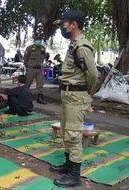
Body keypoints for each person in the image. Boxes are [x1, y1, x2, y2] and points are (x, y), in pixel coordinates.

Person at [51, 9, 98, 187]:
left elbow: (93, 75)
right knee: (65, 132)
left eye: (64, 24)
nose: (62, 27)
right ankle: (68, 165)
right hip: (68, 95)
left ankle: (74, 175)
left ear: (73, 24)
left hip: (76, 96)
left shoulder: (82, 46)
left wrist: (86, 93)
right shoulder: (73, 44)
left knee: (73, 134)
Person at [24, 33, 47, 104]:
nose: (38, 40)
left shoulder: (43, 48)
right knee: (27, 83)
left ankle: (40, 98)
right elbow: (25, 58)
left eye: (40, 39)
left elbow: (43, 58)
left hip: (39, 69)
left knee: (40, 84)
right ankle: (24, 97)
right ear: (35, 40)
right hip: (31, 69)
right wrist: (27, 67)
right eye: (37, 39)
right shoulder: (30, 48)